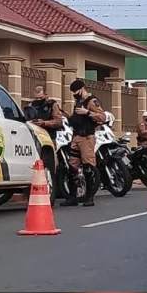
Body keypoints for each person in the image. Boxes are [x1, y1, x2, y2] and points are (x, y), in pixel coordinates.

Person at [65, 79, 106, 207]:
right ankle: (73, 197)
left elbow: (102, 117)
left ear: (82, 89)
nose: (74, 94)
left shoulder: (91, 101)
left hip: (87, 137)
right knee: (72, 167)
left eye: (76, 91)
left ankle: (89, 197)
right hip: (76, 136)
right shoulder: (78, 102)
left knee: (88, 167)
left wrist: (87, 112)